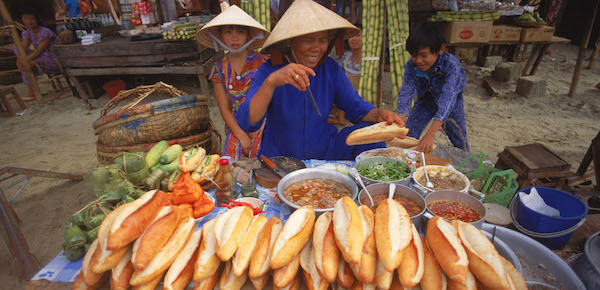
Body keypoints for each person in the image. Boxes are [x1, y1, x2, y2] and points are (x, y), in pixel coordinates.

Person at [236, 0, 404, 161]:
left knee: (373, 140)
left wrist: (379, 115)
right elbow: (247, 122)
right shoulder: (270, 70)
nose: (317, 48)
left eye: (323, 40)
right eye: (309, 40)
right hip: (280, 157)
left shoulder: (329, 69)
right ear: (290, 41)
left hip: (325, 151)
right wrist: (271, 83)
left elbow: (355, 107)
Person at [197, 5, 270, 160]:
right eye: (228, 32)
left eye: (240, 31)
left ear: (249, 35)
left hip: (264, 122)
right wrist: (241, 136)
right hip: (236, 125)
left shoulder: (263, 63)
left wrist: (261, 126)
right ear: (220, 36)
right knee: (230, 164)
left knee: (264, 162)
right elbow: (225, 109)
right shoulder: (218, 69)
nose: (234, 37)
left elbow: (271, 100)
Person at [396, 22, 469, 153]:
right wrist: (400, 122)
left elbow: (448, 98)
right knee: (408, 132)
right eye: (414, 55)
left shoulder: (451, 65)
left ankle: (466, 167)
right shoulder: (411, 66)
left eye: (423, 55)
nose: (418, 60)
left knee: (459, 138)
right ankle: (408, 164)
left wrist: (430, 134)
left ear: (441, 49)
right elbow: (406, 92)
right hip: (426, 99)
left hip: (451, 101)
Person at [14, 10, 61, 101]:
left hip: (55, 59)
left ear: (37, 20)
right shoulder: (27, 33)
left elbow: (39, 51)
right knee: (16, 48)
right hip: (41, 59)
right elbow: (23, 48)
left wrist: (26, 61)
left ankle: (32, 92)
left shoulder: (45, 32)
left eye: (31, 18)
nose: (29, 21)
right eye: (25, 19)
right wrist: (19, 60)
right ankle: (32, 91)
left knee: (28, 63)